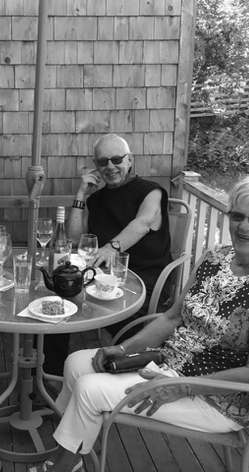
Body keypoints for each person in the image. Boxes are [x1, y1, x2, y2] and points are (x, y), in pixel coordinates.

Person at [29, 173, 249, 472]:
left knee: (89, 389)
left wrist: (182, 387)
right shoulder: (217, 257)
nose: (244, 226)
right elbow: (173, 316)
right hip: (169, 364)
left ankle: (64, 463)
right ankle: (72, 449)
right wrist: (123, 349)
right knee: (77, 363)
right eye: (237, 216)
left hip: (215, 398)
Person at [44, 133, 172, 375]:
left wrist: (110, 248)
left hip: (143, 279)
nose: (110, 166)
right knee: (60, 294)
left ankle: (120, 376)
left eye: (116, 159)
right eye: (103, 162)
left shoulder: (151, 192)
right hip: (101, 276)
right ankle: (52, 374)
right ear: (96, 167)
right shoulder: (98, 198)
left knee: (96, 306)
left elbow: (143, 223)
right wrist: (81, 195)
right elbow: (74, 238)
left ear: (130, 160)